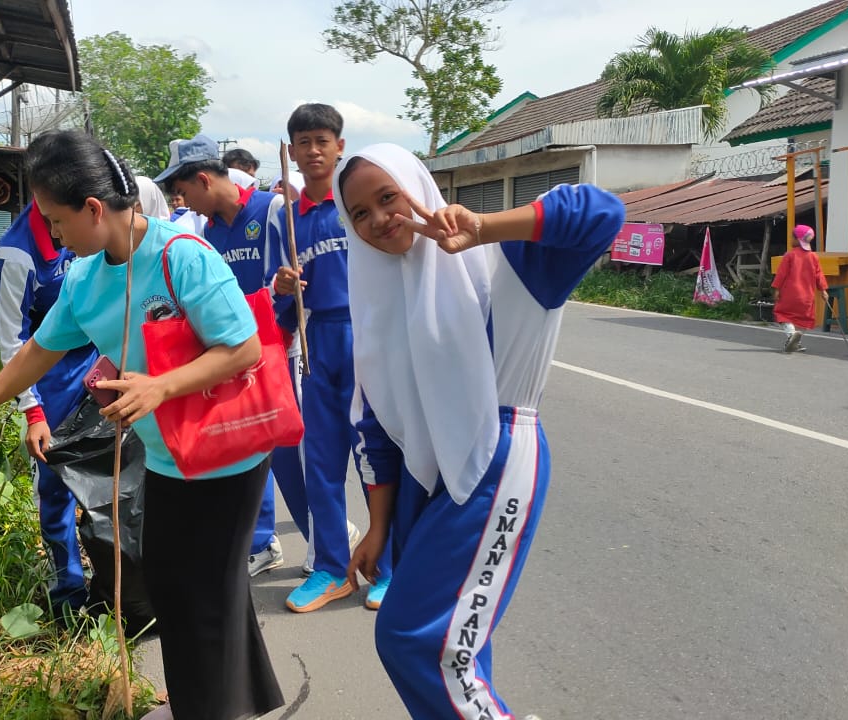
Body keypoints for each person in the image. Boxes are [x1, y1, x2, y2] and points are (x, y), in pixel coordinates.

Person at [0, 130, 283, 720]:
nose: (52, 233)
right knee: (172, 580)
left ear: (93, 209)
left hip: (225, 457)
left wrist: (159, 385)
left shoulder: (181, 256)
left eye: (55, 219)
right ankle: (225, 697)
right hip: (167, 457)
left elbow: (243, 348)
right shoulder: (86, 279)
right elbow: (35, 352)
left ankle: (208, 708)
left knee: (204, 592)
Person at [336, 143, 625, 720]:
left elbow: (601, 212)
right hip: (427, 477)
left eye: (387, 197)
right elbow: (377, 425)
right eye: (359, 213)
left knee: (414, 639)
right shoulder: (379, 297)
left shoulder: (508, 263)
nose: (377, 221)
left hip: (494, 456)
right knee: (458, 645)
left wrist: (484, 226)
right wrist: (378, 524)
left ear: (418, 187)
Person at [156, 133, 291, 577]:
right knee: (251, 439)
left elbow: (289, 278)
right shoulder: (209, 231)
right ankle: (263, 540)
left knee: (289, 449)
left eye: (184, 191)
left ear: (202, 179)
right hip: (235, 354)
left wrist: (275, 300)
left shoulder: (270, 210)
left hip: (279, 349)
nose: (184, 202)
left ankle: (323, 541)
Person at [272, 103, 384, 613]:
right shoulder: (288, 220)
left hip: (369, 337)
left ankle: (387, 567)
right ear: (291, 152)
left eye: (322, 140)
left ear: (340, 145)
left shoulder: (357, 205)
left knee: (378, 457)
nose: (313, 151)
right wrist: (281, 286)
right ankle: (331, 568)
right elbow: (276, 301)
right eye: (303, 143)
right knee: (320, 458)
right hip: (316, 340)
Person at [0, 200, 98, 618]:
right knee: (55, 485)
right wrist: (33, 412)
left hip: (103, 360)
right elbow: (12, 341)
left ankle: (117, 578)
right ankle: (69, 595)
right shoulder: (19, 252)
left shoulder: (94, 220)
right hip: (50, 372)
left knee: (115, 474)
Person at [772, 224, 829, 353]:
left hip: (789, 295)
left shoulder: (789, 255)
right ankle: (796, 342)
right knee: (804, 318)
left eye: (792, 237)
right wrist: (823, 291)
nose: (791, 240)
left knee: (782, 315)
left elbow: (781, 274)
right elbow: (819, 275)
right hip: (807, 297)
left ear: (798, 239)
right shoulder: (814, 257)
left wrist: (776, 289)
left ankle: (792, 336)